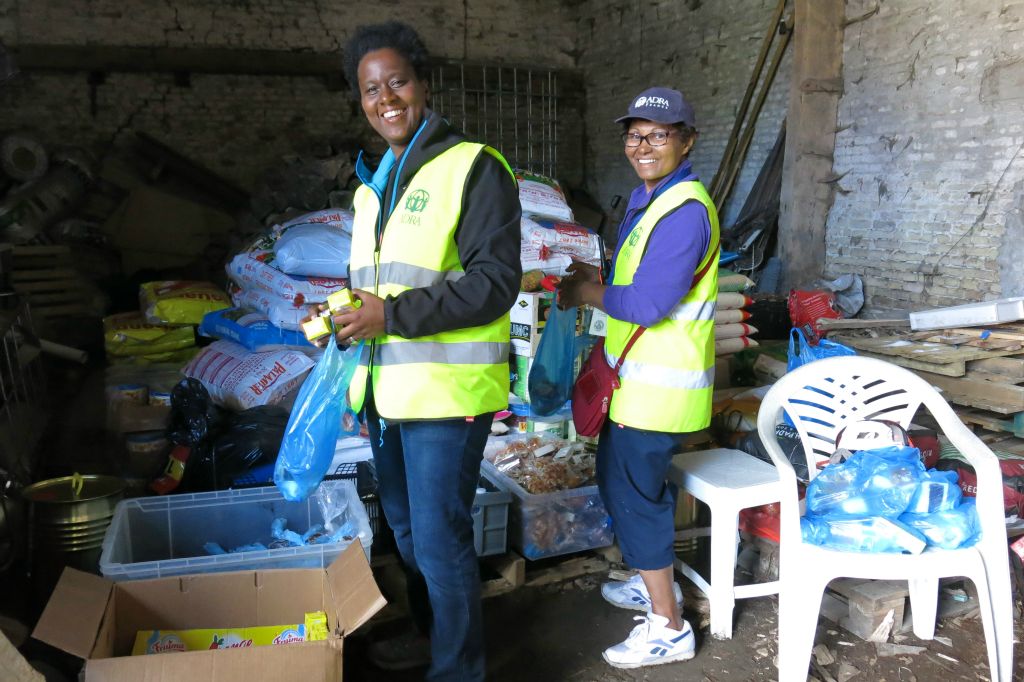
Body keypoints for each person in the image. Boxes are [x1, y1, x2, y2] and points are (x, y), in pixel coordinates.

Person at [329, 21, 521, 681]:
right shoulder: (371, 187)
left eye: (397, 82)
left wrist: (391, 315)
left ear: (424, 83)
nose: (385, 98)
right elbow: (378, 288)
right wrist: (347, 322)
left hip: (447, 397)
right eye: (370, 89)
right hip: (386, 397)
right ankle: (437, 636)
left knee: (439, 542)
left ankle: (458, 669)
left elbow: (495, 284)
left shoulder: (473, 167)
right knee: (409, 537)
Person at [557, 86, 719, 670]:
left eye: (658, 135)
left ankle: (668, 626)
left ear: (687, 141)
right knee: (623, 487)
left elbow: (648, 303)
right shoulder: (649, 198)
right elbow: (634, 273)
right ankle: (655, 585)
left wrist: (583, 292)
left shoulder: (684, 212)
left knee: (638, 501)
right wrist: (596, 276)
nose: (642, 145)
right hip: (634, 381)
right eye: (634, 134)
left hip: (659, 391)